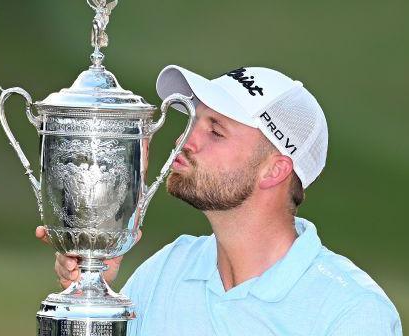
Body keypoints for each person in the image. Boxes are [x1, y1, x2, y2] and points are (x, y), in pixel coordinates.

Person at [35, 65, 403, 335]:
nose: (186, 140)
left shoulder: (352, 313)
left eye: (216, 131)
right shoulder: (165, 271)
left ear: (274, 171)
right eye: (193, 122)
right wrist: (89, 298)